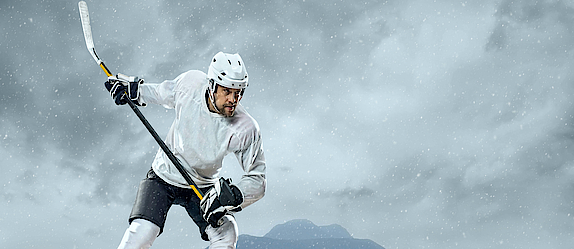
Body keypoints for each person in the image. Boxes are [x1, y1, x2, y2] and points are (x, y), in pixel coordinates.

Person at [105, 52, 267, 249]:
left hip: (202, 187)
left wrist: (231, 196)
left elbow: (258, 179)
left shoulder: (246, 128)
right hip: (163, 175)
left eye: (239, 92)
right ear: (212, 85)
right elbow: (160, 93)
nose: (234, 99)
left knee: (227, 233)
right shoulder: (190, 84)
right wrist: (133, 90)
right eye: (227, 91)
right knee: (143, 232)